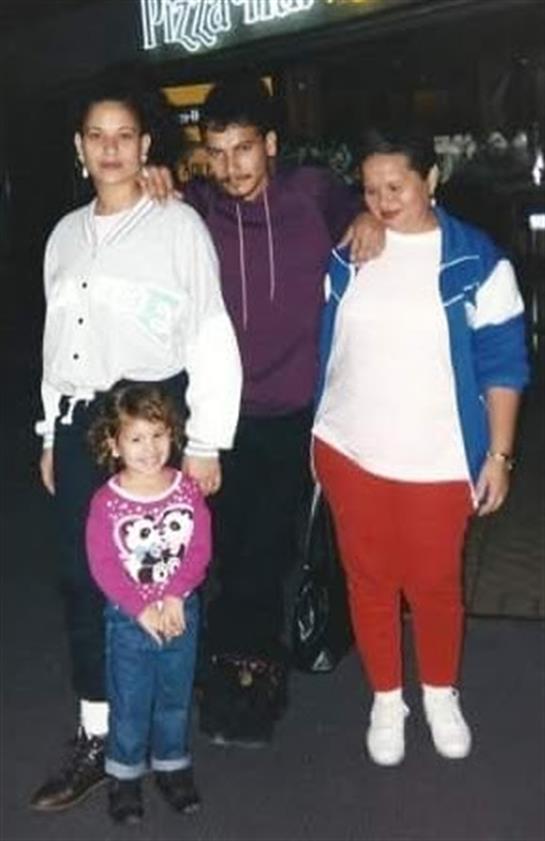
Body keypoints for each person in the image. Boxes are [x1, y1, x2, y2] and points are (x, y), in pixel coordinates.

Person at [30, 75, 242, 812]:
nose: (111, 148)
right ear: (79, 148)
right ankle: (99, 736)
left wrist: (207, 440)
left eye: (125, 135)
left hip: (151, 420)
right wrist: (51, 431)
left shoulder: (176, 225)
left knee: (164, 573)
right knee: (82, 579)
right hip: (80, 424)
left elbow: (210, 330)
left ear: (146, 144)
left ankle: (164, 735)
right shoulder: (63, 235)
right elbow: (57, 344)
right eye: (97, 136)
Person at [313, 125, 529, 766]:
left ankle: (439, 693)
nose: (382, 202)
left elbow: (504, 365)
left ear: (431, 179)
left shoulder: (477, 260)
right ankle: (386, 699)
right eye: (370, 190)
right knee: (368, 580)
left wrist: (498, 455)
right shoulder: (350, 251)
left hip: (437, 458)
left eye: (396, 187)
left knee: (434, 584)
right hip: (349, 447)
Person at [179, 77, 384, 748]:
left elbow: (365, 206)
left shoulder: (311, 193)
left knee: (265, 550)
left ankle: (247, 685)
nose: (230, 166)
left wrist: (365, 216)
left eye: (243, 148)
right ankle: (232, 667)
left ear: (270, 144)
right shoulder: (196, 207)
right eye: (216, 151)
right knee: (222, 548)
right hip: (218, 417)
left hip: (293, 412)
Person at [85, 383, 209, 825]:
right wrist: (140, 608)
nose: (150, 448)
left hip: (180, 612)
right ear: (113, 443)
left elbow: (198, 548)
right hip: (129, 620)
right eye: (136, 438)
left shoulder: (186, 490)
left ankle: (171, 764)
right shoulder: (107, 502)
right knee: (131, 700)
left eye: (158, 435)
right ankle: (124, 774)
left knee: (175, 695)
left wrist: (175, 594)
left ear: (173, 434)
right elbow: (104, 565)